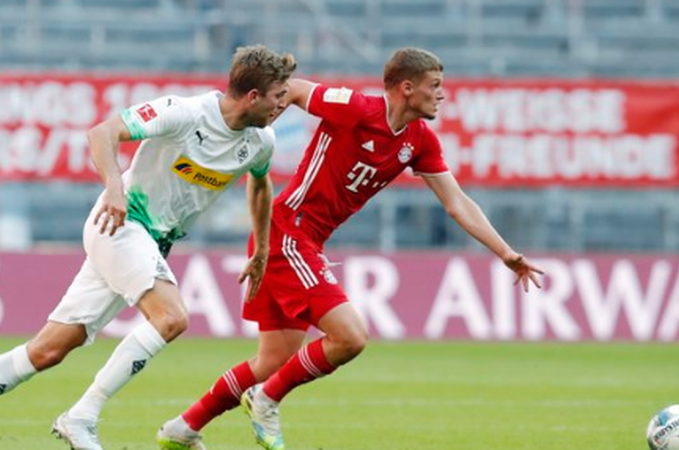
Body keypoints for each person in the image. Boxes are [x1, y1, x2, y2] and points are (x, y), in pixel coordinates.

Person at [0, 44, 297, 450]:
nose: (285, 104)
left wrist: (260, 249)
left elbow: (260, 186)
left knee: (47, 351)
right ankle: (82, 416)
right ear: (252, 96)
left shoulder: (261, 142)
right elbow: (103, 132)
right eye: (279, 96)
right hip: (119, 223)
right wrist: (115, 186)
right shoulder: (185, 113)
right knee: (171, 318)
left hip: (152, 242)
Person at [156, 47, 545, 450]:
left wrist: (504, 252)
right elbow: (291, 90)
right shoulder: (357, 109)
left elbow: (457, 202)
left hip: (300, 239)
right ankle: (267, 399)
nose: (441, 95)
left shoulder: (419, 140)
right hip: (289, 230)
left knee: (272, 361)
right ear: (407, 88)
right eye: (435, 86)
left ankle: (183, 428)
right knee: (350, 337)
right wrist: (248, 139)